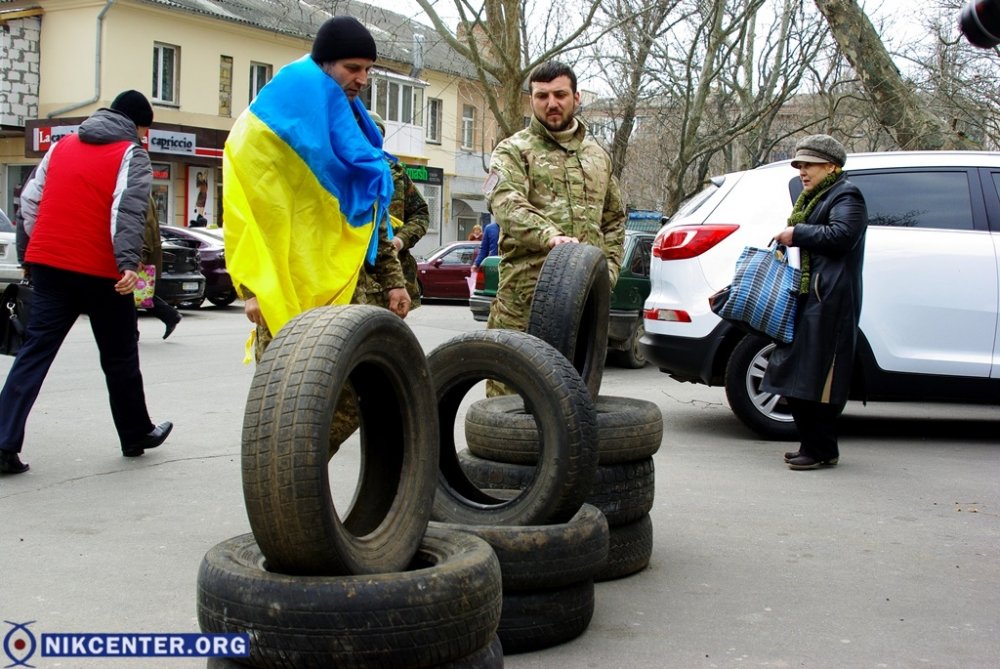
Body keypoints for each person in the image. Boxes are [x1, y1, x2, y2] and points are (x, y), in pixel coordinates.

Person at [223, 16, 408, 449]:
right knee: (286, 406)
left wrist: (394, 281)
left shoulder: (355, 126)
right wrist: (250, 289)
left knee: (355, 399)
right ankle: (283, 485)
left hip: (348, 290)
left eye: (368, 69)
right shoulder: (267, 126)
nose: (362, 79)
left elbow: (368, 216)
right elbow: (243, 210)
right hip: (286, 289)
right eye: (352, 68)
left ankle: (297, 481)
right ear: (325, 64)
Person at [0, 90, 173, 474]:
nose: (144, 136)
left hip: (49, 265)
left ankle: (2, 442)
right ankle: (135, 434)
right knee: (120, 355)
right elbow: (126, 209)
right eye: (144, 129)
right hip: (101, 271)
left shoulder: (61, 147)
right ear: (137, 125)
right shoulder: (131, 154)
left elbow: (29, 202)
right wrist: (127, 263)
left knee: (34, 352)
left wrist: (32, 253)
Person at [484, 59, 626, 356]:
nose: (551, 103)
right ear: (532, 100)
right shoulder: (513, 150)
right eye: (542, 96)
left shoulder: (597, 156)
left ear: (576, 98)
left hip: (583, 300)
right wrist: (548, 235)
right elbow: (505, 202)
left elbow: (613, 219)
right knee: (511, 381)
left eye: (560, 95)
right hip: (525, 301)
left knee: (575, 382)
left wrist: (609, 271)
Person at [761, 134, 867, 471]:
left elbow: (843, 236)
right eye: (800, 165)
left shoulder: (847, 194)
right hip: (813, 296)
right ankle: (815, 446)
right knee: (797, 373)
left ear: (831, 166)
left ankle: (820, 449)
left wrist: (797, 234)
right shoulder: (815, 197)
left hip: (831, 300)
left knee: (820, 379)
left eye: (809, 165)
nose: (802, 171)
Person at [353, 112, 429, 310]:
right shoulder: (342, 170)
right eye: (365, 132)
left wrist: (400, 240)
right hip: (354, 278)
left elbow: (420, 214)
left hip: (391, 277)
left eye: (377, 134)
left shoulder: (395, 173)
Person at [138, 196, 182, 339]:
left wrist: (142, 255)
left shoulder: (140, 194)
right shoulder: (139, 192)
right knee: (137, 294)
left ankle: (170, 316)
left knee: (134, 293)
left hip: (141, 256)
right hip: (139, 254)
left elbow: (148, 226)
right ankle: (170, 316)